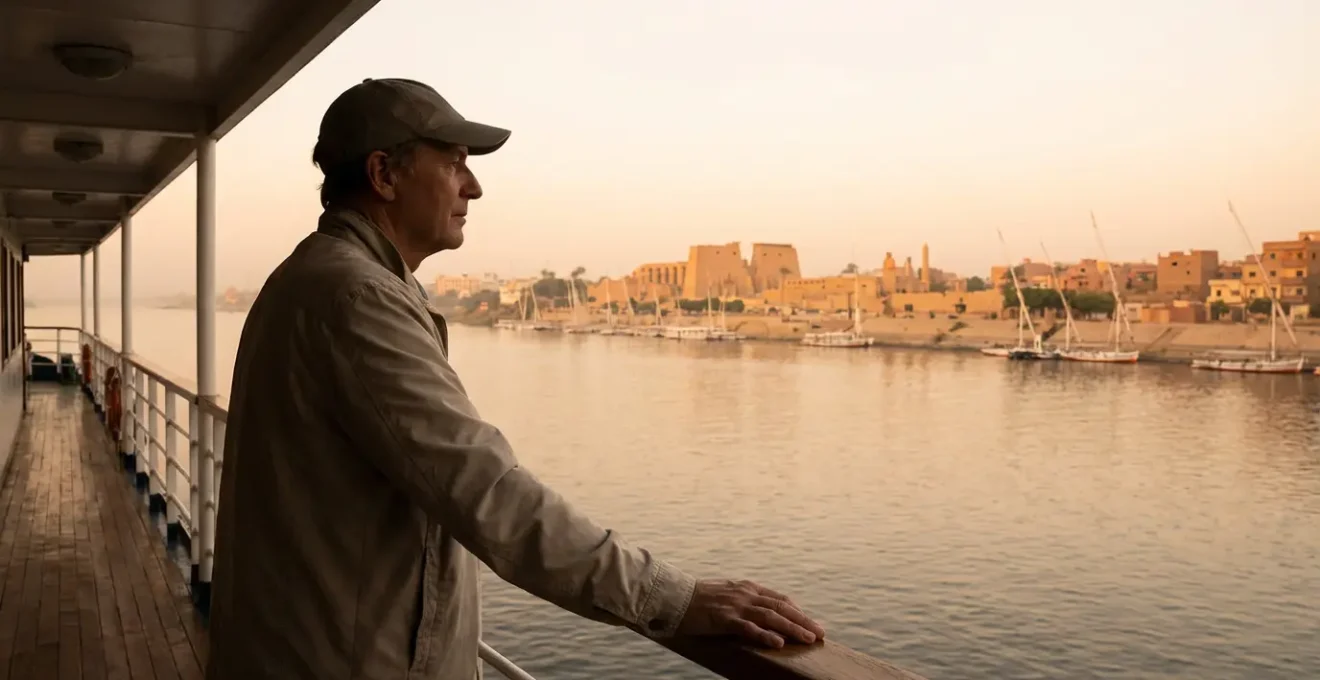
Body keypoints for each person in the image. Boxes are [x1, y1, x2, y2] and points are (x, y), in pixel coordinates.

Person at [206, 78, 824, 679]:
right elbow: (487, 490)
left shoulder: (315, 278)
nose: (473, 187)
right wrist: (671, 597)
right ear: (384, 174)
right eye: (454, 164)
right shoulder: (358, 297)